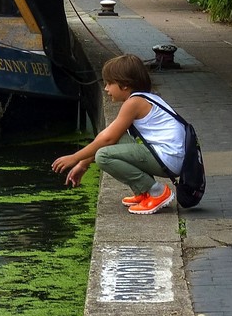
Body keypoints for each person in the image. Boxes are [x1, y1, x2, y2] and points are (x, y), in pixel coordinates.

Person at [51, 53, 185, 215]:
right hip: (169, 156)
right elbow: (106, 136)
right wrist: (83, 164)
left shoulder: (133, 103)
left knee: (103, 156)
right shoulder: (144, 98)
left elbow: (108, 139)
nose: (106, 89)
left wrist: (74, 157)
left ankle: (156, 192)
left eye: (109, 83)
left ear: (125, 85)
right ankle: (143, 192)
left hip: (169, 159)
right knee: (117, 137)